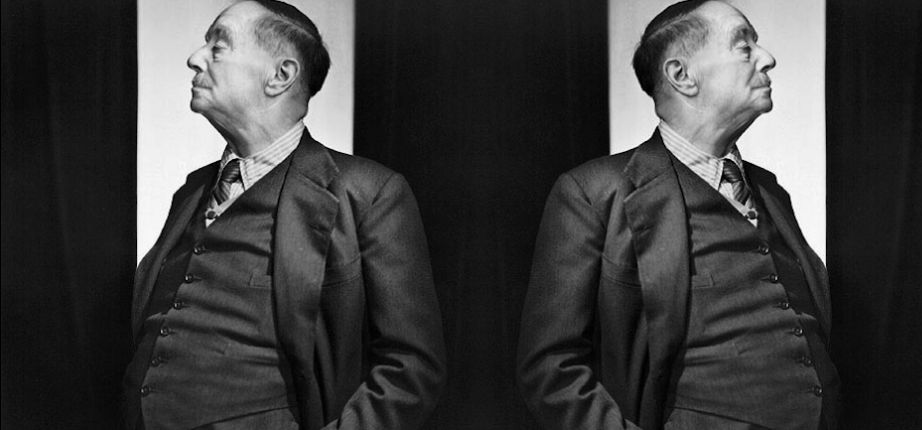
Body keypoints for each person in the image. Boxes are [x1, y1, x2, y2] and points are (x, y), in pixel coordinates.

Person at [122, 1, 445, 429]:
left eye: (218, 46)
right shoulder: (193, 190)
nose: (195, 59)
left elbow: (411, 369)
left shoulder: (369, 193)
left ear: (281, 76)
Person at [516, 1, 838, 429]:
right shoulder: (593, 193)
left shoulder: (769, 189)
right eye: (745, 47)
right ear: (682, 76)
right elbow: (551, 369)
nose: (767, 59)